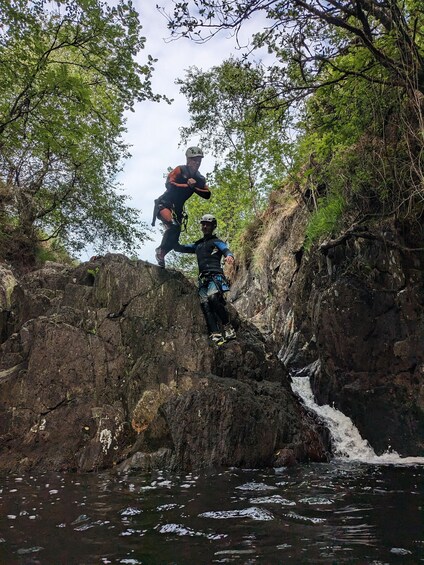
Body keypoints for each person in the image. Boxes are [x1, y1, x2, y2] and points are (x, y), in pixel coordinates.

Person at [175, 213, 237, 346]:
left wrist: (229, 256)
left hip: (216, 276)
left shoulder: (216, 241)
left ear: (213, 226)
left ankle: (228, 327)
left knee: (213, 298)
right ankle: (215, 333)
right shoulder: (197, 245)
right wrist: (172, 235)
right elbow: (180, 248)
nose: (205, 226)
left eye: (208, 224)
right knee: (205, 304)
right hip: (203, 279)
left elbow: (225, 249)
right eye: (203, 224)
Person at [152, 146, 211, 267]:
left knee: (176, 245)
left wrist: (194, 188)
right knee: (174, 225)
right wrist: (187, 185)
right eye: (194, 160)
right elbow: (169, 184)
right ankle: (160, 251)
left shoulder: (200, 179)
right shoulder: (180, 170)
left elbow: (207, 194)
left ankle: (200, 250)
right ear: (188, 160)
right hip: (164, 204)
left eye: (199, 160)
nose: (197, 163)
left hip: (178, 210)